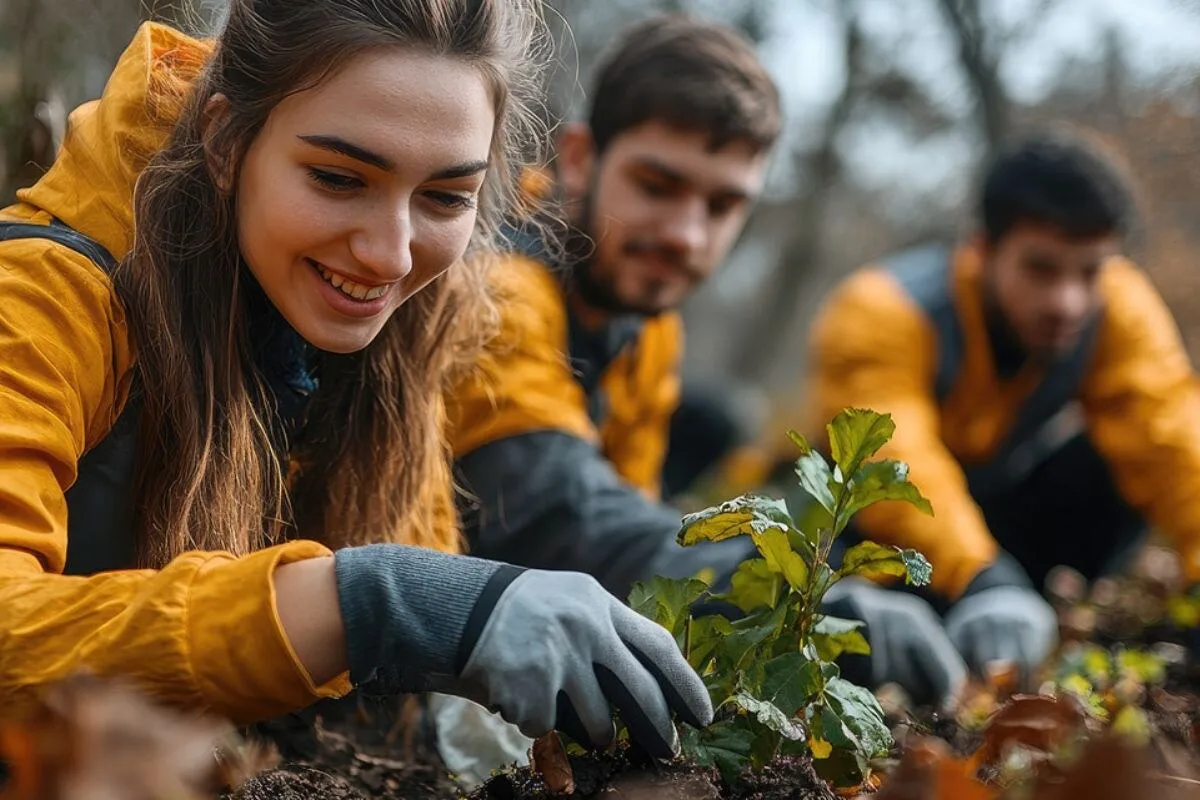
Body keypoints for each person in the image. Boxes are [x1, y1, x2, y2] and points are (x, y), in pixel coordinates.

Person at [0, 0, 713, 760]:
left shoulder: (416, 331)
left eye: (445, 197)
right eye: (340, 178)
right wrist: (374, 602)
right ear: (222, 138)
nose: (391, 255)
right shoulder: (45, 298)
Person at [801, 127, 1200, 704]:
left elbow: (1172, 435)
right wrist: (982, 577)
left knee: (1111, 461)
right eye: (1041, 268)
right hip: (884, 546)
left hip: (1003, 523)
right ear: (981, 249)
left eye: (1089, 272)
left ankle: (1025, 616)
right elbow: (893, 464)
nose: (1067, 301)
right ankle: (959, 618)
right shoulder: (883, 310)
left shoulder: (1119, 309)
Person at [445, 13, 781, 601]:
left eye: (723, 205)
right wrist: (787, 591)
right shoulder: (496, 278)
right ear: (578, 158)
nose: (687, 235)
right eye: (656, 185)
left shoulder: (649, 326)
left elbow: (630, 504)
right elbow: (562, 520)